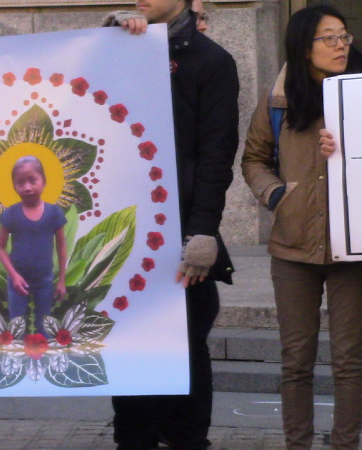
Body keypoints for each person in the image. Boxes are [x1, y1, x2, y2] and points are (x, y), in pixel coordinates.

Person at [104, 0, 239, 448]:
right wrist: (103, 40)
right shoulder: (119, 46)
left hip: (180, 227)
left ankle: (187, 439)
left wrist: (202, 232)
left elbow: (216, 154)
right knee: (128, 342)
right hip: (122, 226)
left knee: (187, 343)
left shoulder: (211, 60)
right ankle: (133, 438)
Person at [241, 5, 362, 449]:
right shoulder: (278, 99)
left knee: (348, 362)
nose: (341, 45)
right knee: (296, 362)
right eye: (329, 38)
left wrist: (352, 144)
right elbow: (254, 159)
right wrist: (277, 196)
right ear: (304, 48)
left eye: (344, 36)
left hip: (353, 245)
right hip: (292, 247)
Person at [0, 156, 67, 337]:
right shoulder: (10, 214)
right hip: (17, 281)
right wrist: (14, 276)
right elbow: (0, 248)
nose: (27, 187)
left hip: (44, 280)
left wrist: (61, 280)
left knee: (45, 327)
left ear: (44, 182)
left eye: (32, 180)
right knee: (16, 327)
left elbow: (61, 246)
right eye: (20, 183)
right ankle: (17, 353)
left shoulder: (54, 213)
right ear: (14, 186)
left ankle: (42, 353)